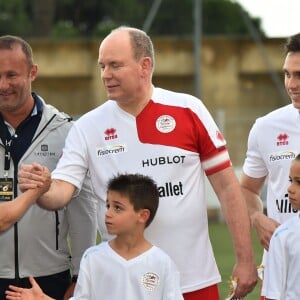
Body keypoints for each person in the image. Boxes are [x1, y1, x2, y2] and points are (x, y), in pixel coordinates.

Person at [19, 26, 257, 300]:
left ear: (145, 66)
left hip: (192, 281)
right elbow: (61, 191)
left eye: (115, 65)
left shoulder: (189, 110)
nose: (106, 75)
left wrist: (246, 259)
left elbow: (228, 189)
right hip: (123, 288)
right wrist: (43, 187)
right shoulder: (87, 127)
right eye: (102, 66)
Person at [0, 35, 97, 300]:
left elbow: (83, 210)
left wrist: (80, 276)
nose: (3, 85)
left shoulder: (66, 131)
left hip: (48, 277)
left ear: (33, 72)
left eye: (11, 75)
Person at [6, 173, 184, 300]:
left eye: (118, 208)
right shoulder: (93, 258)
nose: (108, 214)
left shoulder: (162, 263)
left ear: (142, 215)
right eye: (107, 206)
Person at [240, 33, 300, 299]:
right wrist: (256, 218)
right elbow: (247, 190)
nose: (292, 84)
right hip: (280, 274)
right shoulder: (266, 127)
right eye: (287, 74)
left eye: (299, 75)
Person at [261, 154, 300, 299]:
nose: (290, 188)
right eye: (291, 181)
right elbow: (273, 294)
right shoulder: (282, 236)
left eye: (299, 182)